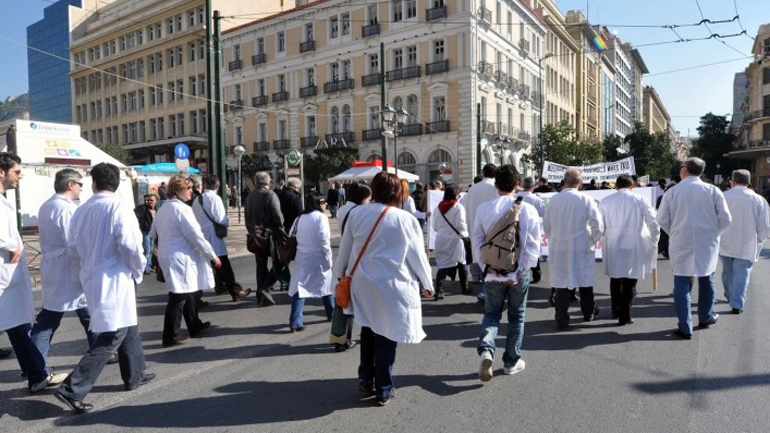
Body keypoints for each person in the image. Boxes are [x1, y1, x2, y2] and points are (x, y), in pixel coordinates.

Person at [56, 162, 155, 414]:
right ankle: (72, 388)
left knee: (128, 324)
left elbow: (72, 248)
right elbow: (131, 246)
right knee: (113, 334)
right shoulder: (118, 207)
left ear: (93, 183)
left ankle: (135, 374)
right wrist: (138, 269)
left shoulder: (81, 210)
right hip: (115, 277)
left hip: (92, 275)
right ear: (117, 183)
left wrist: (85, 269)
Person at [334, 172, 434, 406]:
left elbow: (345, 250)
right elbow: (417, 256)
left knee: (368, 328)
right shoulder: (404, 218)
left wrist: (341, 277)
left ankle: (365, 378)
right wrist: (427, 283)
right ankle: (384, 387)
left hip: (362, 282)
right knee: (387, 334)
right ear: (396, 192)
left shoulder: (356, 214)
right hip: (392, 284)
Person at [31, 169, 115, 372]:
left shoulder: (47, 205)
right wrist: (85, 267)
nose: (81, 189)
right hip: (68, 268)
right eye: (79, 185)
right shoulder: (65, 208)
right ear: (70, 185)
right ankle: (33, 361)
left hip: (56, 268)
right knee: (61, 317)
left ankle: (33, 361)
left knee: (65, 315)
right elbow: (73, 243)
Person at [0, 153, 67, 393]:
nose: (20, 176)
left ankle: (35, 373)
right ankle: (37, 374)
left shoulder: (4, 199)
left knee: (18, 326)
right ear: (1, 172)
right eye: (16, 172)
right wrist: (11, 246)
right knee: (18, 325)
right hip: (5, 276)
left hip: (10, 277)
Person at [472, 165, 541, 382]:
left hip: (492, 271)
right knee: (516, 316)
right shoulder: (527, 209)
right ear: (517, 185)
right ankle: (511, 361)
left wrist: (485, 266)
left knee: (491, 314)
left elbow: (478, 240)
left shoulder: (484, 209)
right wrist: (522, 268)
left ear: (495, 185)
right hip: (517, 271)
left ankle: (486, 349)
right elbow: (532, 244)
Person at [657, 157, 731, 339]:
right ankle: (706, 317)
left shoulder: (672, 192)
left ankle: (685, 326)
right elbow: (726, 219)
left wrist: (673, 231)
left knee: (681, 282)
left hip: (681, 240)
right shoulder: (713, 190)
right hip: (707, 241)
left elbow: (661, 219)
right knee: (707, 278)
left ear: (685, 170)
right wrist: (715, 232)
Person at [153, 175, 220, 347]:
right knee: (178, 296)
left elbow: (153, 233)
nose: (191, 191)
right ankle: (170, 336)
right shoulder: (182, 210)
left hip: (168, 254)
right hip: (179, 256)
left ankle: (194, 324)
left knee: (187, 291)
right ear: (177, 190)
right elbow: (195, 235)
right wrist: (212, 255)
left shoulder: (163, 209)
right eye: (188, 188)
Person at [544, 168, 604, 331]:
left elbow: (546, 225)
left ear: (564, 181)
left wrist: (554, 238)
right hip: (580, 245)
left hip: (559, 246)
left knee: (561, 282)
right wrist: (593, 239)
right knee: (584, 280)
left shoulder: (554, 200)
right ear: (581, 183)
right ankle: (588, 312)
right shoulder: (585, 199)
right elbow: (597, 224)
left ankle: (561, 317)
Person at [599, 174, 660, 326]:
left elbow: (599, 225)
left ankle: (616, 309)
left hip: (613, 244)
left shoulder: (606, 201)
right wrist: (654, 240)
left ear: (616, 186)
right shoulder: (640, 200)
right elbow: (653, 222)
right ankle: (624, 314)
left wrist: (601, 238)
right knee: (630, 280)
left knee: (615, 278)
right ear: (632, 186)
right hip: (634, 244)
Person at [718, 169, 770, 314]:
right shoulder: (759, 199)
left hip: (725, 241)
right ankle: (737, 303)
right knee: (742, 274)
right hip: (747, 243)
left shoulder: (723, 196)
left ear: (733, 181)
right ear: (748, 182)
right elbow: (765, 226)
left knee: (727, 272)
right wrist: (760, 240)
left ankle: (729, 294)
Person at [192, 175, 250, 302]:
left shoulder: (197, 199)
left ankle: (218, 287)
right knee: (224, 265)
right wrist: (227, 222)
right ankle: (236, 292)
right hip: (213, 235)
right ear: (217, 186)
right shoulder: (214, 198)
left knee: (208, 265)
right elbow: (220, 219)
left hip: (202, 235)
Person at [287, 193, 334, 332]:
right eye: (324, 201)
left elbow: (291, 234)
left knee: (300, 288)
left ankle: (295, 321)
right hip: (317, 256)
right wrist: (329, 257)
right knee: (326, 285)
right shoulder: (321, 218)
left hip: (302, 257)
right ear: (318, 203)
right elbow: (324, 240)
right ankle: (332, 314)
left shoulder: (299, 218)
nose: (326, 204)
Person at [244, 171, 285, 306]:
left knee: (260, 265)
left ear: (256, 182)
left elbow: (247, 217)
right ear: (268, 182)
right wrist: (281, 227)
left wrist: (252, 231)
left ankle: (261, 297)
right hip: (270, 235)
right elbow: (278, 216)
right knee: (280, 263)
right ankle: (264, 289)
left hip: (256, 236)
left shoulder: (249, 196)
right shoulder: (270, 194)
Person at [463, 164, 498, 292]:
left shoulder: (473, 188)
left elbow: (466, 207)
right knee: (490, 250)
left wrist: (467, 223)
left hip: (474, 222)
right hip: (491, 224)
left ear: (483, 173)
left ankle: (475, 275)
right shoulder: (494, 188)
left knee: (476, 248)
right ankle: (487, 276)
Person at [432, 185, 469, 299]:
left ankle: (439, 290)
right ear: (456, 195)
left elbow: (434, 226)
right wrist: (466, 234)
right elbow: (461, 225)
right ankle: (464, 287)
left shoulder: (437, 208)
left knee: (443, 265)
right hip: (455, 239)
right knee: (461, 262)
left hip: (441, 238)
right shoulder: (458, 207)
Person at [278, 177, 303, 291]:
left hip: (280, 229)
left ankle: (284, 282)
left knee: (284, 257)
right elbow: (300, 216)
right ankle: (299, 281)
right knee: (298, 256)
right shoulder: (295, 198)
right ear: (296, 187)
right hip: (293, 230)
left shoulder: (278, 194)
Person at [134, 194, 158, 275]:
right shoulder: (142, 208)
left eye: (151, 200)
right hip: (146, 231)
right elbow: (136, 217)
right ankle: (145, 267)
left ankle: (149, 265)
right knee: (147, 250)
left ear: (155, 201)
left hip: (153, 232)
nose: (149, 202)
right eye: (148, 200)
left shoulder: (157, 210)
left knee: (151, 250)